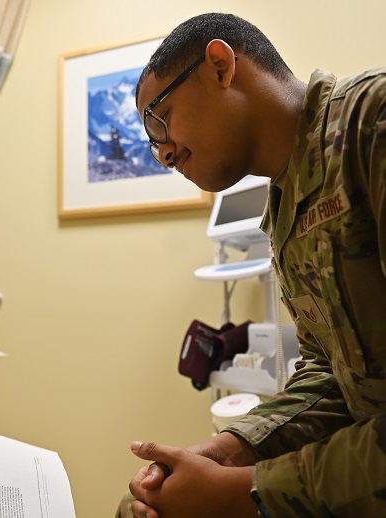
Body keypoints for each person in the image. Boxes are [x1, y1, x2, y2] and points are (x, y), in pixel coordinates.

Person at [117, 12, 386, 518]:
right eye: (153, 142)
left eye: (161, 118)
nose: (165, 154)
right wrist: (231, 449)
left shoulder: (371, 126)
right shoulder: (285, 205)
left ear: (220, 67)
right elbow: (332, 375)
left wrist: (245, 491)